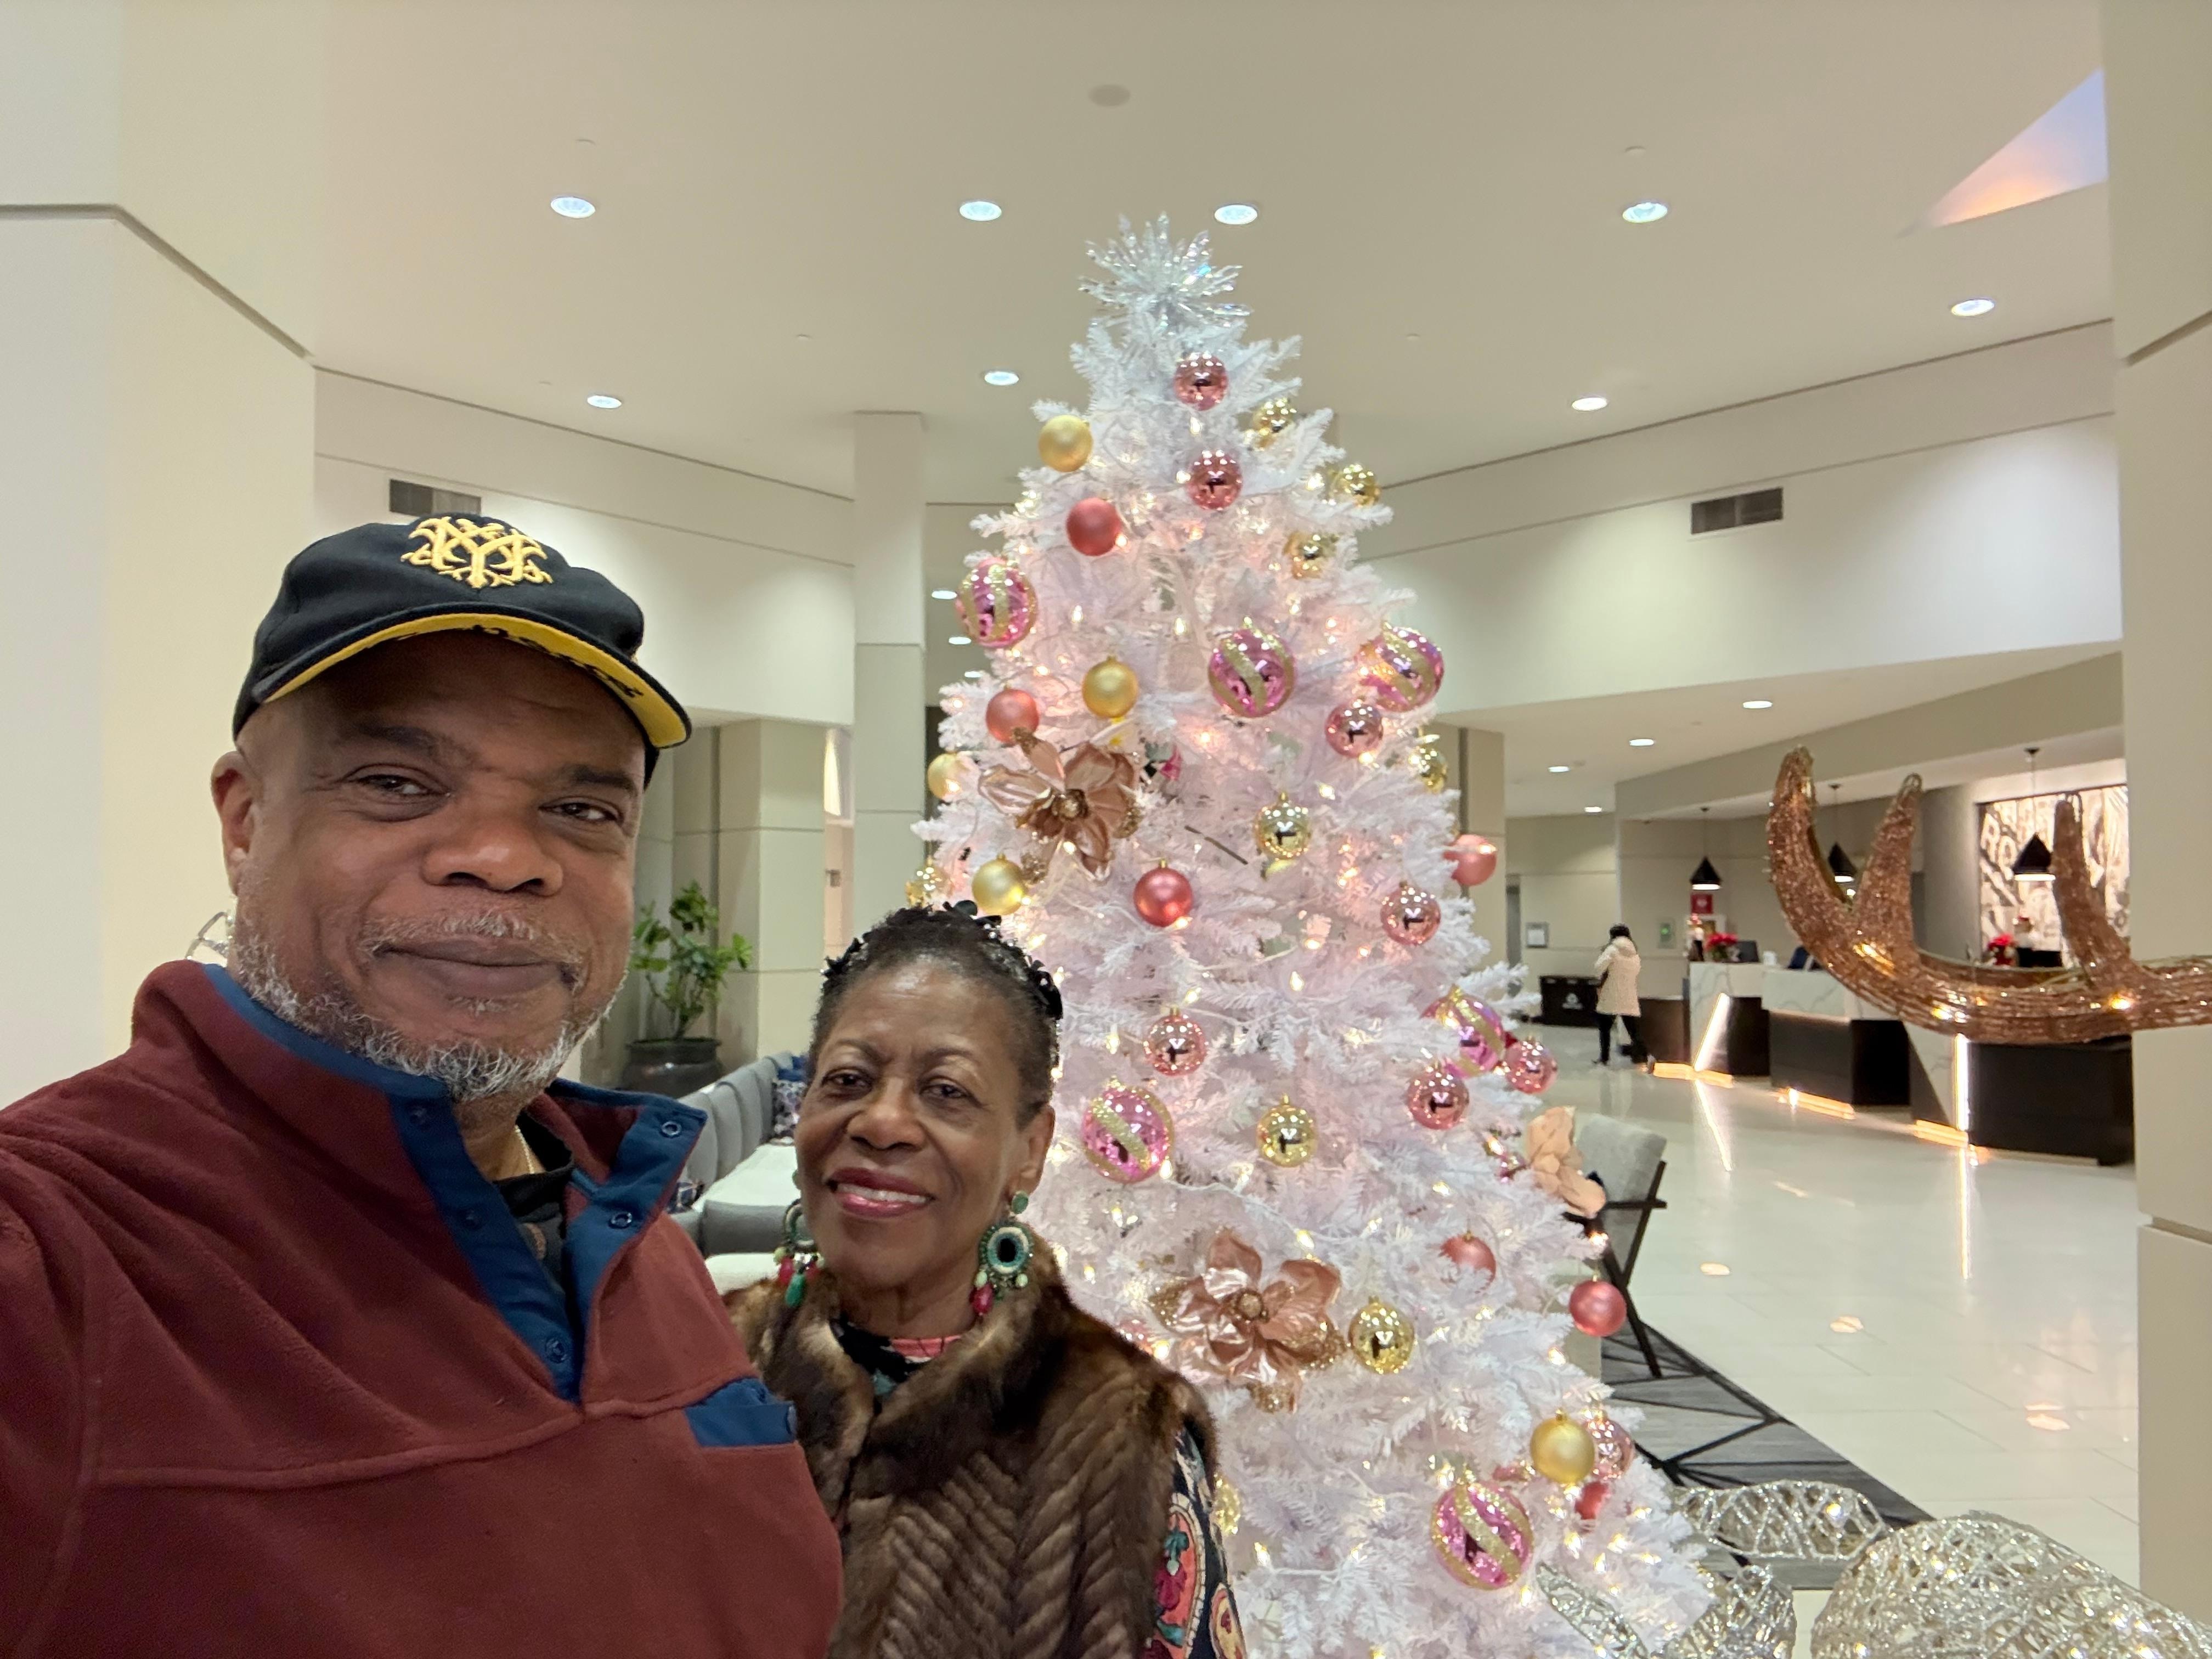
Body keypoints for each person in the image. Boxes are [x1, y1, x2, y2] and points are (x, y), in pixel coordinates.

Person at [0, 517, 840, 1657]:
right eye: (396, 783)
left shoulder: (628, 1230)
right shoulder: (54, 1266)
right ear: (245, 823)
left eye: (582, 810)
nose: (504, 856)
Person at [730, 905, 1242, 1659]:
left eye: (947, 1091)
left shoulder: (1124, 1441)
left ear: (1029, 1150)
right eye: (848, 1080)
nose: (882, 1122)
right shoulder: (703, 1364)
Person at [1593, 922, 1645, 1065]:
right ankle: (1641, 1057)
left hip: (1611, 994)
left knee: (1605, 1029)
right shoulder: (1635, 953)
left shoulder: (1611, 950)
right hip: (1629, 994)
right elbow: (1637, 972)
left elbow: (1598, 969)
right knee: (1633, 1030)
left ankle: (1604, 1058)